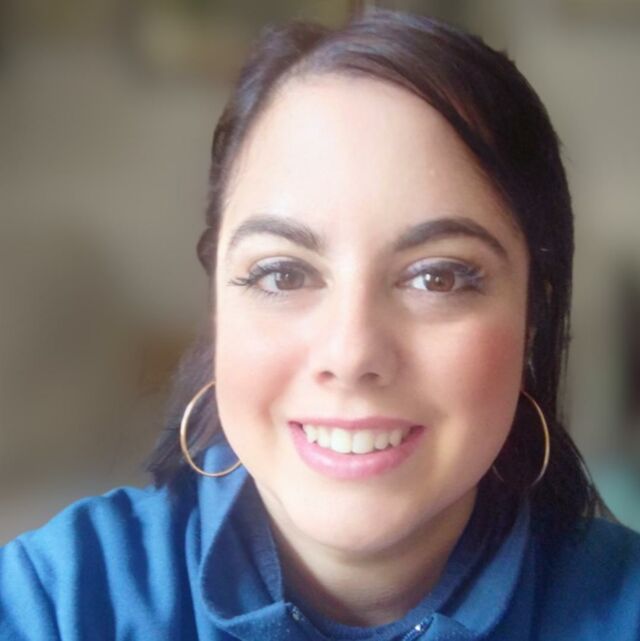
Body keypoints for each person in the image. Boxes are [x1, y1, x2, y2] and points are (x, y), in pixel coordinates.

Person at [1, 9, 639, 640]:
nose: (351, 352)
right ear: (218, 305)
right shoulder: (56, 606)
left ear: (533, 315)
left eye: (438, 278)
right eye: (283, 274)